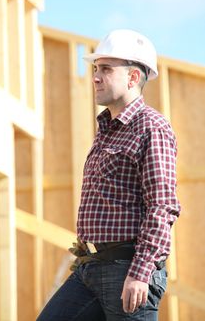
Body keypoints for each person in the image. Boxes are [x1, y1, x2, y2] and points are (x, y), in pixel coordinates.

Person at [37, 29, 181, 321]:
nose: (96, 76)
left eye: (106, 69)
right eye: (95, 69)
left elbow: (162, 206)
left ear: (133, 78)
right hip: (88, 268)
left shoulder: (151, 127)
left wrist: (141, 273)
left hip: (127, 271)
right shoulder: (105, 130)